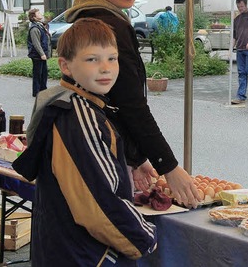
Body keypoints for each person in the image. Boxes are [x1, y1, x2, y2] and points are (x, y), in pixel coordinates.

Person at [63, 0, 201, 207]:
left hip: (96, 146)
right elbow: (130, 104)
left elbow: (114, 100)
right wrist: (169, 167)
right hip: (103, 155)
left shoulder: (89, 18)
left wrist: (136, 158)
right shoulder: (109, 25)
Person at [12, 18, 157, 266]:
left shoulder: (74, 103)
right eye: (92, 59)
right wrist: (145, 236)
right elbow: (97, 206)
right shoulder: (78, 116)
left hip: (64, 248)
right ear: (66, 66)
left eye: (112, 58)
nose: (106, 68)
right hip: (85, 254)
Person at [27, 8, 51, 97]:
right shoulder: (34, 28)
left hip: (42, 54)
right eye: (38, 13)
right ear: (34, 17)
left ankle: (43, 90)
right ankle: (36, 92)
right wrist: (42, 54)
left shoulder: (40, 25)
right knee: (38, 73)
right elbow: (36, 43)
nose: (40, 14)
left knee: (44, 73)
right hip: (37, 55)